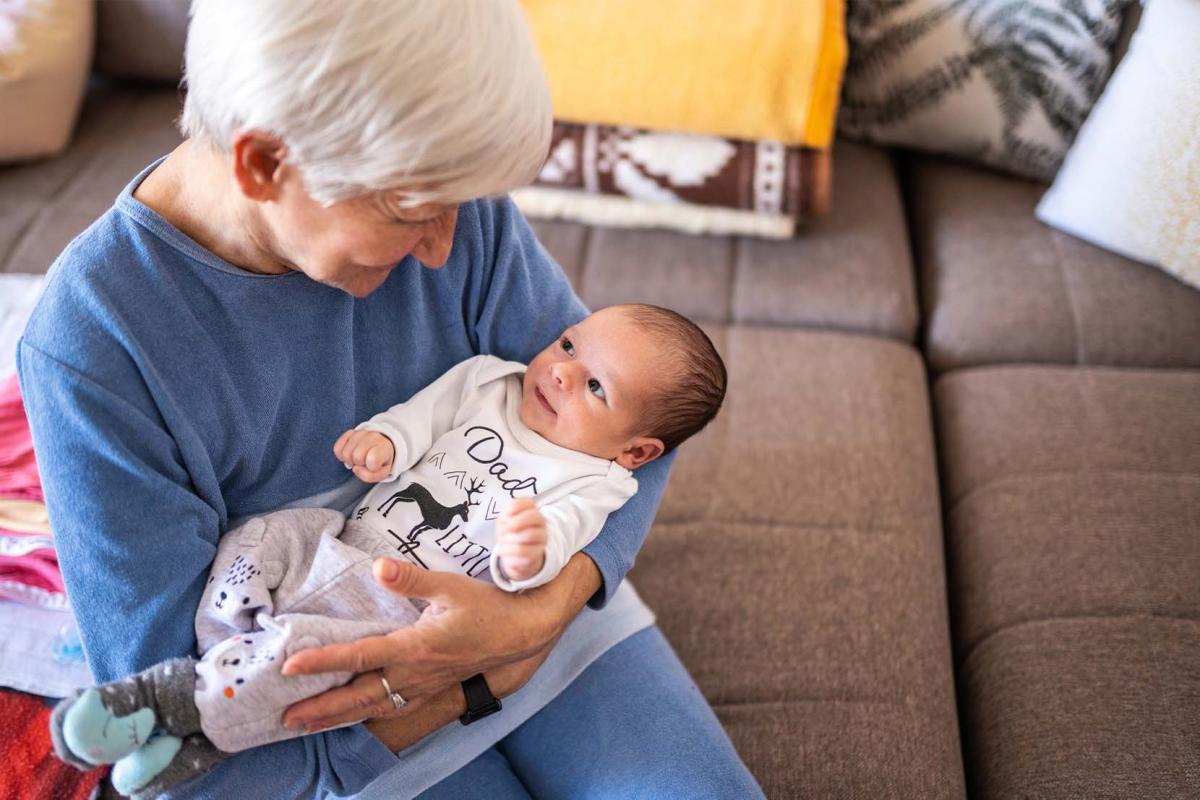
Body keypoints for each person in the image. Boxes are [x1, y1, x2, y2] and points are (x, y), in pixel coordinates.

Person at [18, 0, 766, 797]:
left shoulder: (447, 197)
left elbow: (643, 428)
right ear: (264, 165)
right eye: (410, 214)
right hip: (332, 726)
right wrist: (473, 682)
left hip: (547, 630)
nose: (445, 249)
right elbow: (183, 723)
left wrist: (542, 615)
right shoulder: (95, 347)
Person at [48, 304, 727, 798]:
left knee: (306, 655)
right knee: (261, 537)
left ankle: (169, 705)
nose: (560, 374)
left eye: (595, 387)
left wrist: (529, 556)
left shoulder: (595, 482)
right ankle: (220, 671)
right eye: (568, 345)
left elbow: (554, 555)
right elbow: (423, 416)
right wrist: (387, 442)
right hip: (343, 542)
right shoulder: (494, 381)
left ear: (635, 452)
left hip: (403, 610)